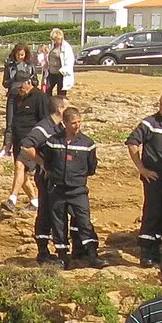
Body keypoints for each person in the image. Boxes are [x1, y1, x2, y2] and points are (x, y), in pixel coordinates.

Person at [36, 106, 101, 269]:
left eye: (79, 122)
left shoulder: (88, 143)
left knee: (84, 221)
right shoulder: (52, 142)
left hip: (78, 190)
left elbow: (91, 167)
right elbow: (48, 163)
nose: (77, 126)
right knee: (58, 223)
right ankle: (63, 257)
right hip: (57, 190)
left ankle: (92, 255)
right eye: (73, 123)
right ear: (64, 123)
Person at [126, 92, 162, 267]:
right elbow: (132, 142)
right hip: (153, 177)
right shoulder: (149, 123)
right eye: (161, 105)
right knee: (152, 212)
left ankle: (156, 247)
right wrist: (142, 168)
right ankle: (146, 251)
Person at [22, 99, 67, 266]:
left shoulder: (58, 127)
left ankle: (58, 249)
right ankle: (43, 251)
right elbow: (26, 146)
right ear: (60, 109)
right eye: (67, 107)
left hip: (58, 178)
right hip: (46, 178)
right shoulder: (43, 128)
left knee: (57, 212)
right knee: (46, 213)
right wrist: (42, 164)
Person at [7, 79, 51, 212]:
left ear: (29, 82)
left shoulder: (40, 97)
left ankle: (12, 199)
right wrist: (7, 140)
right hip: (17, 140)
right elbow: (10, 119)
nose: (19, 91)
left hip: (31, 141)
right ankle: (34, 201)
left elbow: (45, 120)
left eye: (21, 88)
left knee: (19, 166)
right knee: (21, 172)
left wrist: (40, 142)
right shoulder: (16, 96)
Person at [1, 43, 35, 157]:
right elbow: (5, 83)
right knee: (10, 122)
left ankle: (23, 145)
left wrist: (29, 82)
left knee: (24, 122)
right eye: (18, 54)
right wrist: (13, 80)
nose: (20, 57)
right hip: (13, 95)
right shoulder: (10, 66)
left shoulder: (29, 66)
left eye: (22, 54)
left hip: (26, 96)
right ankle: (7, 146)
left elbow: (36, 81)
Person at [45, 28, 75, 99]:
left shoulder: (66, 47)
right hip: (51, 72)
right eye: (53, 39)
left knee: (61, 94)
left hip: (60, 74)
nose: (55, 41)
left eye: (56, 39)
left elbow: (69, 60)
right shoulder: (52, 46)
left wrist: (63, 70)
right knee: (47, 90)